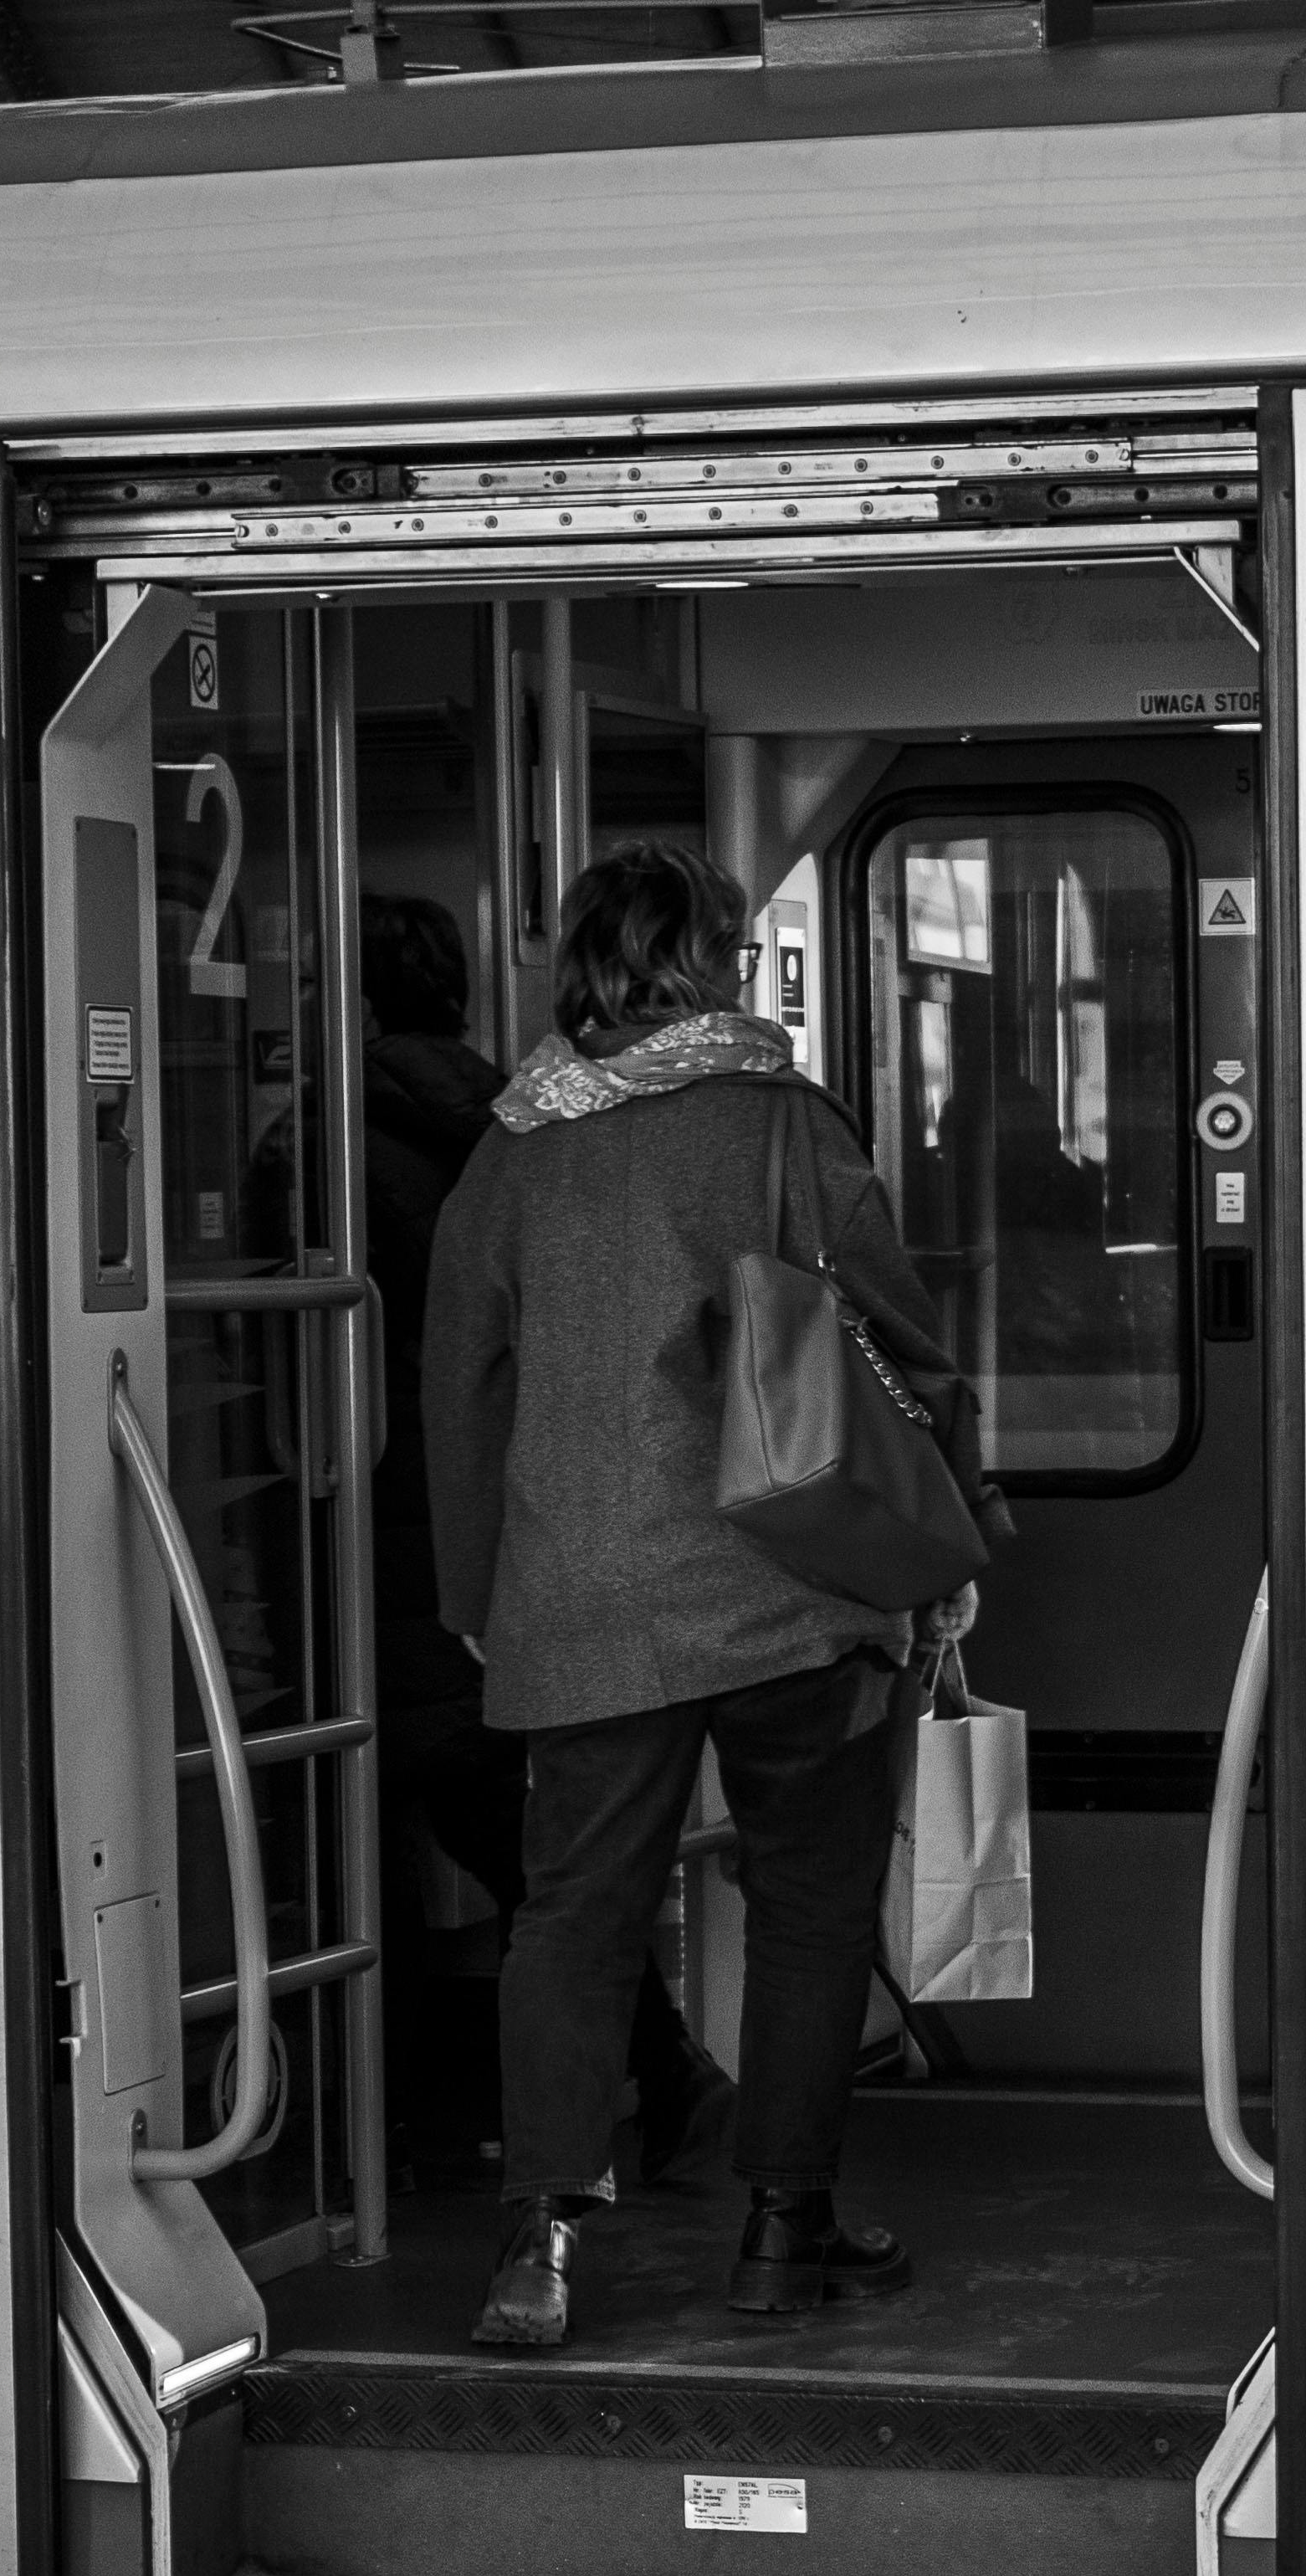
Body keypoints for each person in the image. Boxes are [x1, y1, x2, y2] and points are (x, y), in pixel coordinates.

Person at [423, 842, 978, 2350]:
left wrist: (480, 1584)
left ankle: (535, 2243)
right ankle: (786, 2232)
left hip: (584, 1591)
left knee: (574, 1916)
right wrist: (951, 1530)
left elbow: (459, 1385)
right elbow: (893, 1332)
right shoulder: (780, 1124)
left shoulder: (513, 1149)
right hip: (794, 1580)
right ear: (717, 959)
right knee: (807, 1907)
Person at [355, 894, 728, 2190]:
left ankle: (423, 2128)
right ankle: (665, 2083)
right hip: (539, 1527)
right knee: (528, 1849)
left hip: (389, 1522)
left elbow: (438, 1367)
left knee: (474, 1849)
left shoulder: (351, 1148)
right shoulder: (520, 1124)